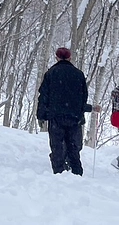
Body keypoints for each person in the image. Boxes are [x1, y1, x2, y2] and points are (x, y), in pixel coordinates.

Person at [36, 46, 88, 175]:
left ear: (57, 57)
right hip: (74, 117)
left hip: (56, 116)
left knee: (57, 146)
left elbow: (43, 95)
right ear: (70, 57)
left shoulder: (51, 73)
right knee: (73, 147)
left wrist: (41, 115)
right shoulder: (78, 74)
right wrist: (80, 113)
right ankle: (77, 172)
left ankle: (58, 173)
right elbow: (84, 96)